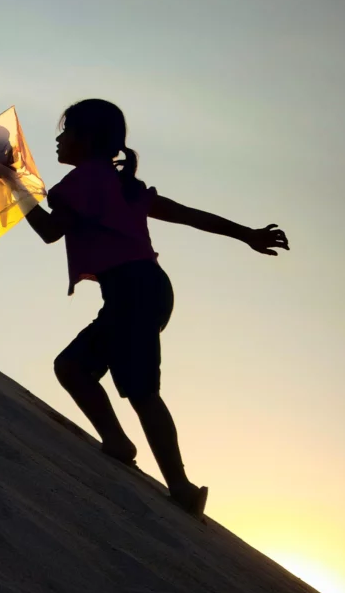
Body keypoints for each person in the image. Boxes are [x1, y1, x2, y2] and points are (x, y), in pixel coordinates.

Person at [24, 99, 289, 516]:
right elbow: (187, 215)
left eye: (66, 131)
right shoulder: (120, 184)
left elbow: (49, 232)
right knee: (74, 368)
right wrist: (246, 234)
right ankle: (119, 443)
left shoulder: (82, 182)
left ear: (88, 139)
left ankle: (181, 487)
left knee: (142, 391)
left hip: (132, 292)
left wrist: (13, 188)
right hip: (148, 289)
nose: (58, 139)